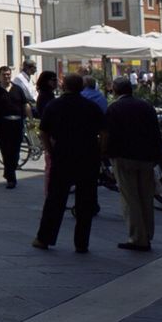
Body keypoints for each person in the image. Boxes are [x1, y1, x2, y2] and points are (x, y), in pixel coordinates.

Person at [32, 74, 106, 253]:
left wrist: (50, 150)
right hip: (88, 156)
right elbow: (105, 132)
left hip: (62, 155)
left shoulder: (54, 105)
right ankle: (81, 243)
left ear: (64, 86)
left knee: (55, 199)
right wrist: (100, 152)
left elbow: (43, 132)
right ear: (81, 88)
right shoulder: (91, 106)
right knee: (85, 201)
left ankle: (44, 238)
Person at [104, 76, 162, 252]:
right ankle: (148, 234)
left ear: (115, 90)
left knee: (130, 198)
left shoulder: (114, 108)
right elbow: (156, 131)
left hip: (124, 157)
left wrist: (106, 155)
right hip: (146, 157)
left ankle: (138, 238)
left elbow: (109, 134)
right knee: (146, 197)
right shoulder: (146, 106)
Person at [0, 65, 30, 188]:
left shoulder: (18, 89)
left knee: (15, 151)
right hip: (1, 125)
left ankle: (9, 170)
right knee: (6, 150)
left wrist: (30, 119)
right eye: (4, 75)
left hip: (17, 124)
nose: (7, 77)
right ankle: (11, 178)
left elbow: (25, 105)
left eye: (8, 74)